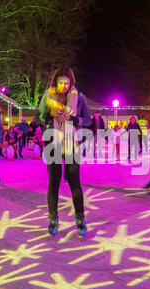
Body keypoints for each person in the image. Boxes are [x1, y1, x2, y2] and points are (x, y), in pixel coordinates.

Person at [38, 65, 92, 237]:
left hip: (71, 143)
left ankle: (80, 218)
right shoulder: (48, 95)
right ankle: (53, 219)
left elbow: (88, 120)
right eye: (61, 82)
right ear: (56, 82)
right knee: (53, 182)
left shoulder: (79, 97)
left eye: (67, 82)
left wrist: (72, 118)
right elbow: (39, 115)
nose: (64, 86)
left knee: (74, 182)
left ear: (71, 82)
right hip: (53, 141)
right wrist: (51, 114)